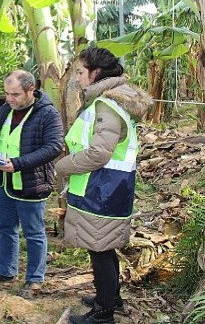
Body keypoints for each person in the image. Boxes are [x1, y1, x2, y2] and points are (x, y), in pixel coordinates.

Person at [55, 47, 152, 324]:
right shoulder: (109, 102)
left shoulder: (106, 106)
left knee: (100, 251)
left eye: (81, 72)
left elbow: (99, 153)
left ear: (96, 73)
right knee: (102, 248)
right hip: (105, 188)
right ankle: (110, 298)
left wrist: (62, 167)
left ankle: (103, 314)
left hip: (102, 190)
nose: (77, 78)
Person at [0, 70, 64, 298]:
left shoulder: (47, 114)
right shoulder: (5, 110)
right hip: (4, 181)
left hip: (31, 182)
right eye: (7, 94)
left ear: (30, 90)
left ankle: (35, 280)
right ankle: (6, 272)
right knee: (5, 228)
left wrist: (19, 163)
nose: (10, 99)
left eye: (15, 94)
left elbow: (54, 147)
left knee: (33, 232)